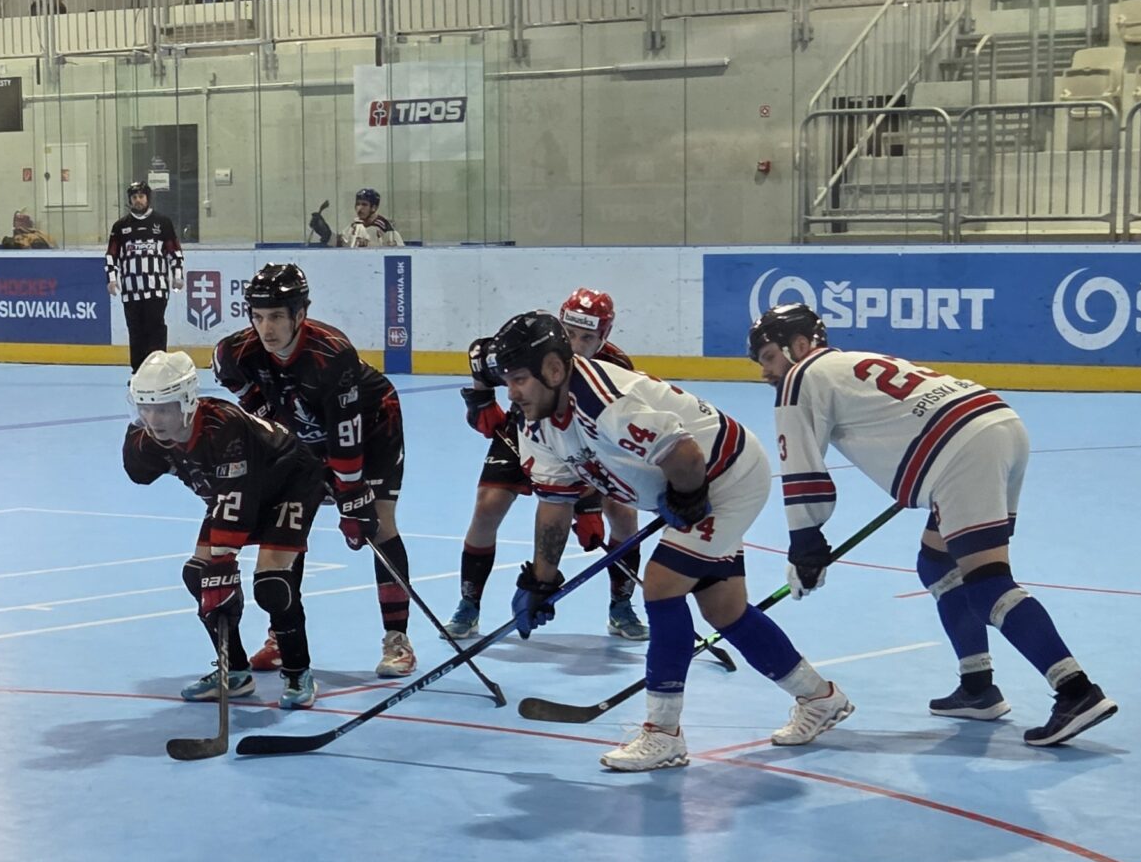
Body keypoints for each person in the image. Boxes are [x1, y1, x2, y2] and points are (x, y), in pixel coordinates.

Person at [497, 310, 853, 772]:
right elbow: (554, 503)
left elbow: (684, 453)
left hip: (725, 476)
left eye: (519, 379)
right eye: (507, 381)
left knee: (662, 584)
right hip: (693, 479)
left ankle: (663, 734)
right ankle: (820, 698)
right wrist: (541, 581)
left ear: (552, 369)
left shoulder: (604, 404)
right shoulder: (537, 422)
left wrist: (688, 497)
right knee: (724, 610)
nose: (512, 392)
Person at [749, 303, 1117, 747]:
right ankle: (977, 687)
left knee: (987, 584)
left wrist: (806, 542)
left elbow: (802, 469)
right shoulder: (850, 362)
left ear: (799, 345)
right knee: (937, 564)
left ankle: (1076, 691)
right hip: (997, 423)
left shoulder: (799, 377)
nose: (766, 371)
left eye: (769, 357)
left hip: (961, 451)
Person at [212, 264, 417, 678]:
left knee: (378, 524)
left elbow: (346, 435)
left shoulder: (331, 354)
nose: (266, 328)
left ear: (300, 314)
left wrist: (351, 494)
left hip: (373, 428)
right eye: (258, 316)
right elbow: (256, 407)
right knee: (286, 525)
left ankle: (398, 640)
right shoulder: (234, 354)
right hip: (307, 433)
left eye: (276, 316)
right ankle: (282, 636)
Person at [123, 350, 328, 711]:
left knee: (272, 583)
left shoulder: (224, 426)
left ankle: (298, 671)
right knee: (199, 576)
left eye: (164, 409)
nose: (153, 420)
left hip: (289, 484)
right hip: (236, 492)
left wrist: (224, 564)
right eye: (145, 408)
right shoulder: (148, 436)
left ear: (187, 402)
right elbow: (139, 473)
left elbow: (238, 507)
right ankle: (234, 671)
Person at [447, 288, 647, 643]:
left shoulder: (615, 368)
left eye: (587, 338)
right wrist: (481, 399)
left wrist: (587, 502)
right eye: (570, 333)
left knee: (623, 515)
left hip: (585, 444)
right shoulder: (536, 344)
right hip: (526, 430)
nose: (576, 345)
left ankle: (621, 605)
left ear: (604, 336)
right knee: (487, 506)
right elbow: (480, 354)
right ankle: (469, 603)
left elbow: (603, 444)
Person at [106, 182, 184, 371]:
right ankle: (139, 373)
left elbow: (174, 251)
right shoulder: (120, 226)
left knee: (156, 330)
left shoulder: (162, 222)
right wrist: (111, 279)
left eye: (141, 196)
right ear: (130, 200)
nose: (138, 200)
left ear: (148, 198)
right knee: (136, 332)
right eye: (134, 197)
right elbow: (111, 255)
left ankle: (158, 372)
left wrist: (178, 275)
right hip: (131, 291)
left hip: (156, 289)